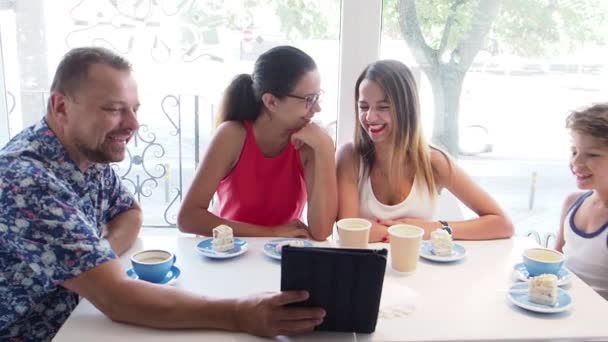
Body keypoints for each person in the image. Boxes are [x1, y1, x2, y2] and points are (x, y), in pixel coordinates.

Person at [0, 47, 325, 341]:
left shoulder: (86, 154)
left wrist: (94, 258)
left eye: (134, 109)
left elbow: (130, 213)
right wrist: (240, 313)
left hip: (81, 316)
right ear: (60, 107)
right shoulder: (26, 180)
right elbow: (117, 299)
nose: (134, 124)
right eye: (114, 109)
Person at [336, 59, 513, 242]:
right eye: (363, 106)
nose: (370, 117)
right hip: (366, 268)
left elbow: (502, 224)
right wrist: (403, 232)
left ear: (407, 110)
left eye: (383, 107)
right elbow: (348, 232)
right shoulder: (350, 157)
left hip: (421, 267)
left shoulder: (433, 162)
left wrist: (433, 228)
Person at [177, 46, 337, 241]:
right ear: (271, 102)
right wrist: (271, 233)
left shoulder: (310, 143)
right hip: (230, 252)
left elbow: (321, 232)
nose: (317, 108)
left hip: (281, 255)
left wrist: (325, 148)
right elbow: (188, 218)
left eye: (317, 96)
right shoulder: (231, 136)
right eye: (309, 99)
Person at [555, 103, 608, 300]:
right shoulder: (572, 203)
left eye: (593, 155)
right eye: (574, 151)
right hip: (561, 307)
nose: (576, 163)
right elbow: (556, 261)